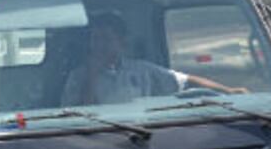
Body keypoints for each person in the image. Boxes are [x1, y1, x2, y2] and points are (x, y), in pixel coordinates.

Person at [61, 13, 245, 107]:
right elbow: (79, 120)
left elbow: (185, 81)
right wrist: (92, 76)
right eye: (95, 39)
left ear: (121, 42)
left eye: (106, 39)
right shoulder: (78, 76)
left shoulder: (141, 70)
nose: (99, 45)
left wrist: (228, 90)